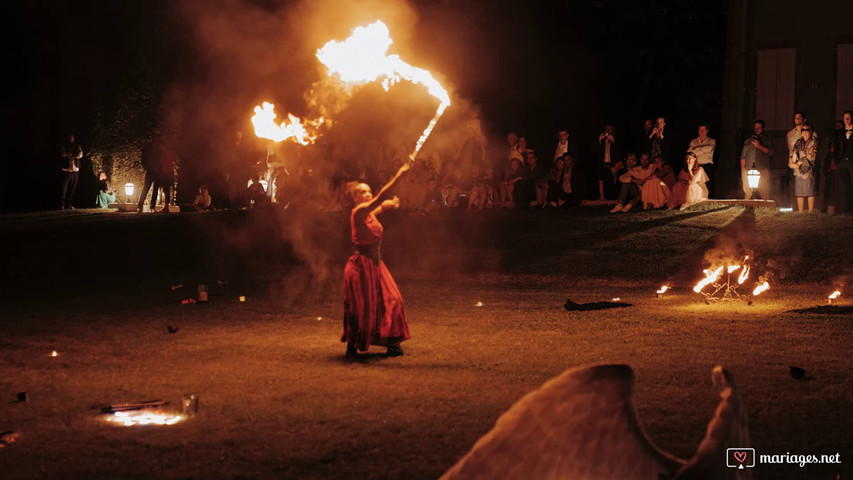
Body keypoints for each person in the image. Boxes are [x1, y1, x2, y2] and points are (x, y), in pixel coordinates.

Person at [342, 163, 411, 358]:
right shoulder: (358, 212)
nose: (367, 194)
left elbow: (379, 206)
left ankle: (392, 342)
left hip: (376, 263)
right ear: (355, 198)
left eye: (369, 191)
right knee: (361, 307)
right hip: (360, 266)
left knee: (393, 299)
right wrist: (398, 176)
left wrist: (390, 205)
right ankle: (353, 345)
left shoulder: (368, 213)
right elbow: (380, 198)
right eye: (363, 192)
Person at [788, 122, 819, 213]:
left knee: (810, 190)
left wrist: (800, 160)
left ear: (811, 131)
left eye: (807, 130)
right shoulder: (798, 142)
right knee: (800, 190)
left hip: (809, 170)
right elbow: (792, 154)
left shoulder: (815, 142)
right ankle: (800, 212)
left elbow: (813, 155)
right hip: (798, 170)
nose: (805, 132)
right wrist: (793, 163)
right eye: (803, 130)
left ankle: (810, 211)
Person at [740, 119, 774, 200]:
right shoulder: (748, 141)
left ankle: (766, 207)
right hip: (748, 168)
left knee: (764, 190)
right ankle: (747, 206)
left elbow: (771, 152)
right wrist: (743, 171)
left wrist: (759, 146)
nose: (756, 130)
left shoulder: (767, 139)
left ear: (763, 129)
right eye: (755, 128)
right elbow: (743, 156)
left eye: (759, 128)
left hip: (762, 168)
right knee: (748, 191)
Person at [687, 124, 717, 198]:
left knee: (708, 185)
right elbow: (690, 151)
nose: (701, 132)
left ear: (707, 131)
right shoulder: (693, 141)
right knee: (696, 184)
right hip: (697, 166)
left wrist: (696, 149)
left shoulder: (711, 141)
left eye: (703, 130)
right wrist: (703, 149)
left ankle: (709, 200)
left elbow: (709, 149)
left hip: (707, 165)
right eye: (700, 130)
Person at [834, 110, 853, 214]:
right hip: (842, 162)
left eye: (848, 118)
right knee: (844, 186)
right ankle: (845, 210)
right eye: (845, 118)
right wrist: (837, 160)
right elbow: (837, 147)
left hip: (852, 161)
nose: (846, 120)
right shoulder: (840, 132)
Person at [595, 125, 619, 201]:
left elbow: (618, 152)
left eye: (610, 130)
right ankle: (602, 196)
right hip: (603, 163)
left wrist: (614, 141)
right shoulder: (602, 141)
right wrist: (599, 141)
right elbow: (596, 153)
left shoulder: (615, 141)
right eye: (607, 130)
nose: (608, 131)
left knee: (613, 178)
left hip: (612, 164)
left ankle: (614, 196)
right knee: (601, 177)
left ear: (613, 131)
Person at [60, 133, 83, 210]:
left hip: (75, 169)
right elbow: (63, 154)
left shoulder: (77, 145)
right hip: (67, 169)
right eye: (69, 137)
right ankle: (62, 204)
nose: (71, 139)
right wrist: (72, 154)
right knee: (64, 187)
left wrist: (71, 155)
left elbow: (80, 154)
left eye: (72, 137)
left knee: (73, 188)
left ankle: (69, 204)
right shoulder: (64, 145)